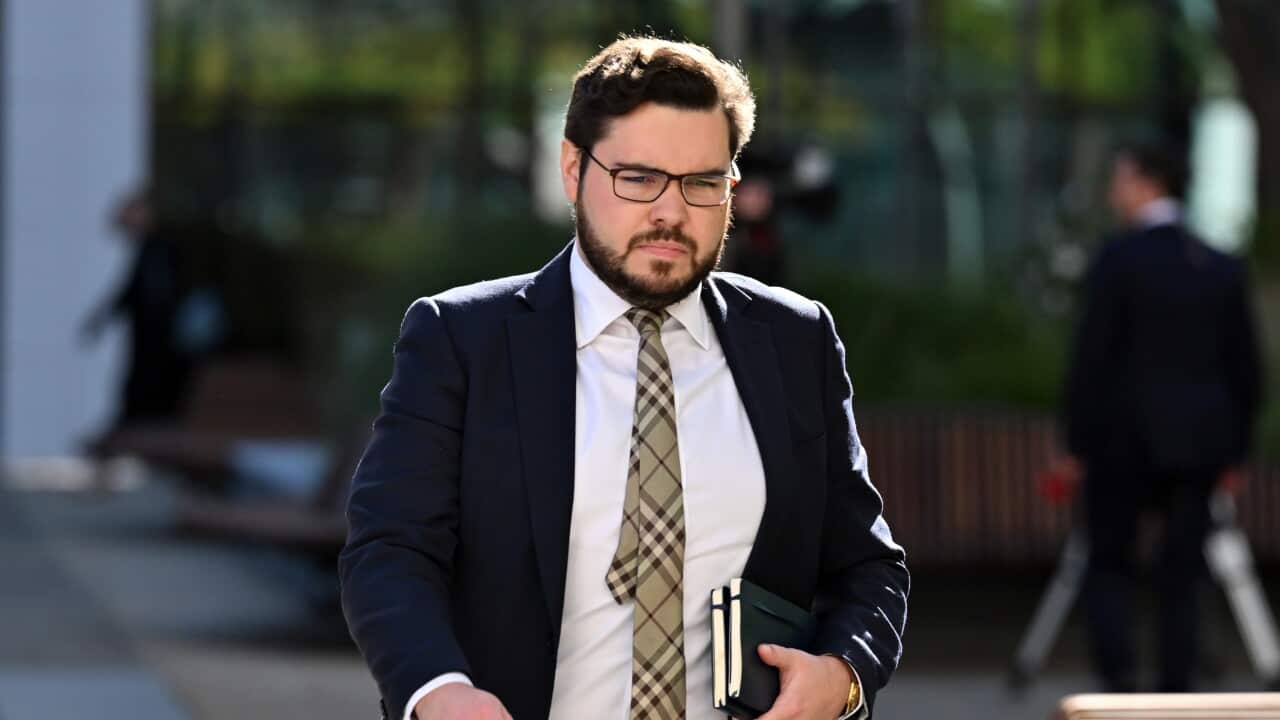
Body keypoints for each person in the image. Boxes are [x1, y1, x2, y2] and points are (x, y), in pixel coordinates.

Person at [340, 37, 909, 720]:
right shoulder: (462, 340)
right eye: (638, 178)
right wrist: (438, 690)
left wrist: (843, 675)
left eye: (702, 182)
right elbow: (391, 551)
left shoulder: (795, 341)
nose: (671, 211)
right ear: (573, 168)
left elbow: (867, 567)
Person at [1062, 140, 1263, 692]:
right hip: (1198, 447)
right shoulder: (1217, 264)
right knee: (1183, 572)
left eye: (1119, 180)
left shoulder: (1118, 259)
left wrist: (1076, 443)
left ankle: (1120, 686)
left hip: (1120, 444)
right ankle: (1177, 688)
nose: (1112, 192)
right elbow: (1246, 368)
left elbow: (1092, 359)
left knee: (1109, 563)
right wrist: (1236, 449)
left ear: (1148, 182)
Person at [81, 188, 192, 426]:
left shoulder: (158, 248)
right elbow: (131, 291)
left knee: (148, 385)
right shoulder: (149, 249)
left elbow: (145, 293)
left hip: (157, 337)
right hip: (152, 336)